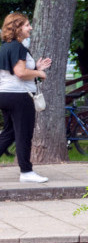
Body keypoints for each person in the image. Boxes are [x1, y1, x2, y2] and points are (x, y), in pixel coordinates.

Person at [0, 13, 53, 183]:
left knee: (9, 133)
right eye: (27, 25)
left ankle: (26, 170)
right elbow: (21, 73)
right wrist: (39, 72)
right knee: (24, 134)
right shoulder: (18, 47)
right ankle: (26, 172)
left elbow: (14, 72)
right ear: (17, 28)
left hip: (5, 95)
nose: (30, 28)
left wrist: (36, 67)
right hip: (19, 97)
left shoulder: (5, 47)